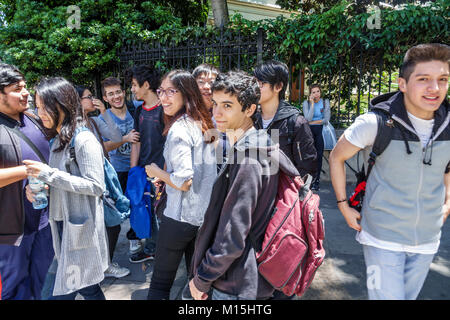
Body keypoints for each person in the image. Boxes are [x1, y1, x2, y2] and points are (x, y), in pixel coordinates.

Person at [329, 43, 450, 300]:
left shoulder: (448, 126)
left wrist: (448, 204)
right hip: (381, 237)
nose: (435, 88)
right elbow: (336, 157)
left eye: (442, 79)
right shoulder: (375, 123)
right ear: (402, 84)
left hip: (428, 239)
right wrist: (342, 204)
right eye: (423, 79)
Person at [189, 70, 299, 300]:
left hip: (235, 283)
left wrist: (202, 279)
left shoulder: (249, 158)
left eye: (227, 106)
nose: (216, 113)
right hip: (249, 277)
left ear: (249, 109)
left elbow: (232, 236)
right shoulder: (258, 145)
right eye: (215, 103)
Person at [24, 77, 109, 300]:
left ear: (61, 104)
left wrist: (48, 174)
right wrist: (40, 189)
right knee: (85, 287)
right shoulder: (60, 137)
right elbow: (60, 181)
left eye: (44, 106)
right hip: (64, 225)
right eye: (38, 106)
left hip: (79, 228)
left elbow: (96, 186)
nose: (39, 112)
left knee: (67, 289)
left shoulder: (83, 139)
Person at [144, 70, 217, 300]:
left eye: (170, 91)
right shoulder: (203, 122)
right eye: (161, 91)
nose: (163, 98)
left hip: (179, 217)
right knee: (195, 287)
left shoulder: (179, 129)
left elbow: (184, 180)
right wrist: (167, 176)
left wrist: (158, 172)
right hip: (202, 217)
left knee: (159, 286)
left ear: (186, 93)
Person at [0, 63, 54, 300]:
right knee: (15, 288)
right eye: (16, 88)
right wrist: (27, 172)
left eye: (25, 87)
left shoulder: (33, 118)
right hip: (10, 231)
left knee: (43, 282)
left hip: (43, 221)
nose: (26, 93)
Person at [99, 77, 141, 279]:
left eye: (118, 92)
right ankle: (106, 261)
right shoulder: (102, 118)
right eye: (110, 94)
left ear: (123, 92)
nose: (116, 96)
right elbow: (103, 146)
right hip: (116, 171)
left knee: (137, 203)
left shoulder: (135, 109)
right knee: (115, 214)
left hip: (136, 166)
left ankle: (135, 238)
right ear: (105, 98)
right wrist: (124, 139)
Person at [254, 60, 318, 178]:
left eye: (261, 83)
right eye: (254, 82)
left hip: (284, 194)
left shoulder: (296, 122)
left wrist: (292, 193)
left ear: (278, 86)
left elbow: (307, 166)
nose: (255, 88)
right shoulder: (251, 119)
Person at [128, 65, 165, 263]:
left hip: (161, 173)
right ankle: (151, 248)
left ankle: (161, 251)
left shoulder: (164, 109)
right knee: (146, 211)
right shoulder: (138, 111)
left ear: (147, 85)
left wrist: (164, 173)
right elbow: (137, 141)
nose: (132, 89)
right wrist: (134, 171)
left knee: (160, 215)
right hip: (143, 172)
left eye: (134, 85)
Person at [302, 84, 331, 191]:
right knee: (309, 157)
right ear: (310, 94)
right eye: (313, 92)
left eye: (317, 91)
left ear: (320, 92)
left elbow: (326, 120)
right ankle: (309, 181)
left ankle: (316, 181)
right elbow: (307, 118)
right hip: (309, 133)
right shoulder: (306, 103)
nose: (316, 94)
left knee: (319, 157)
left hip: (320, 132)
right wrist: (312, 105)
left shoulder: (325, 102)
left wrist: (312, 122)